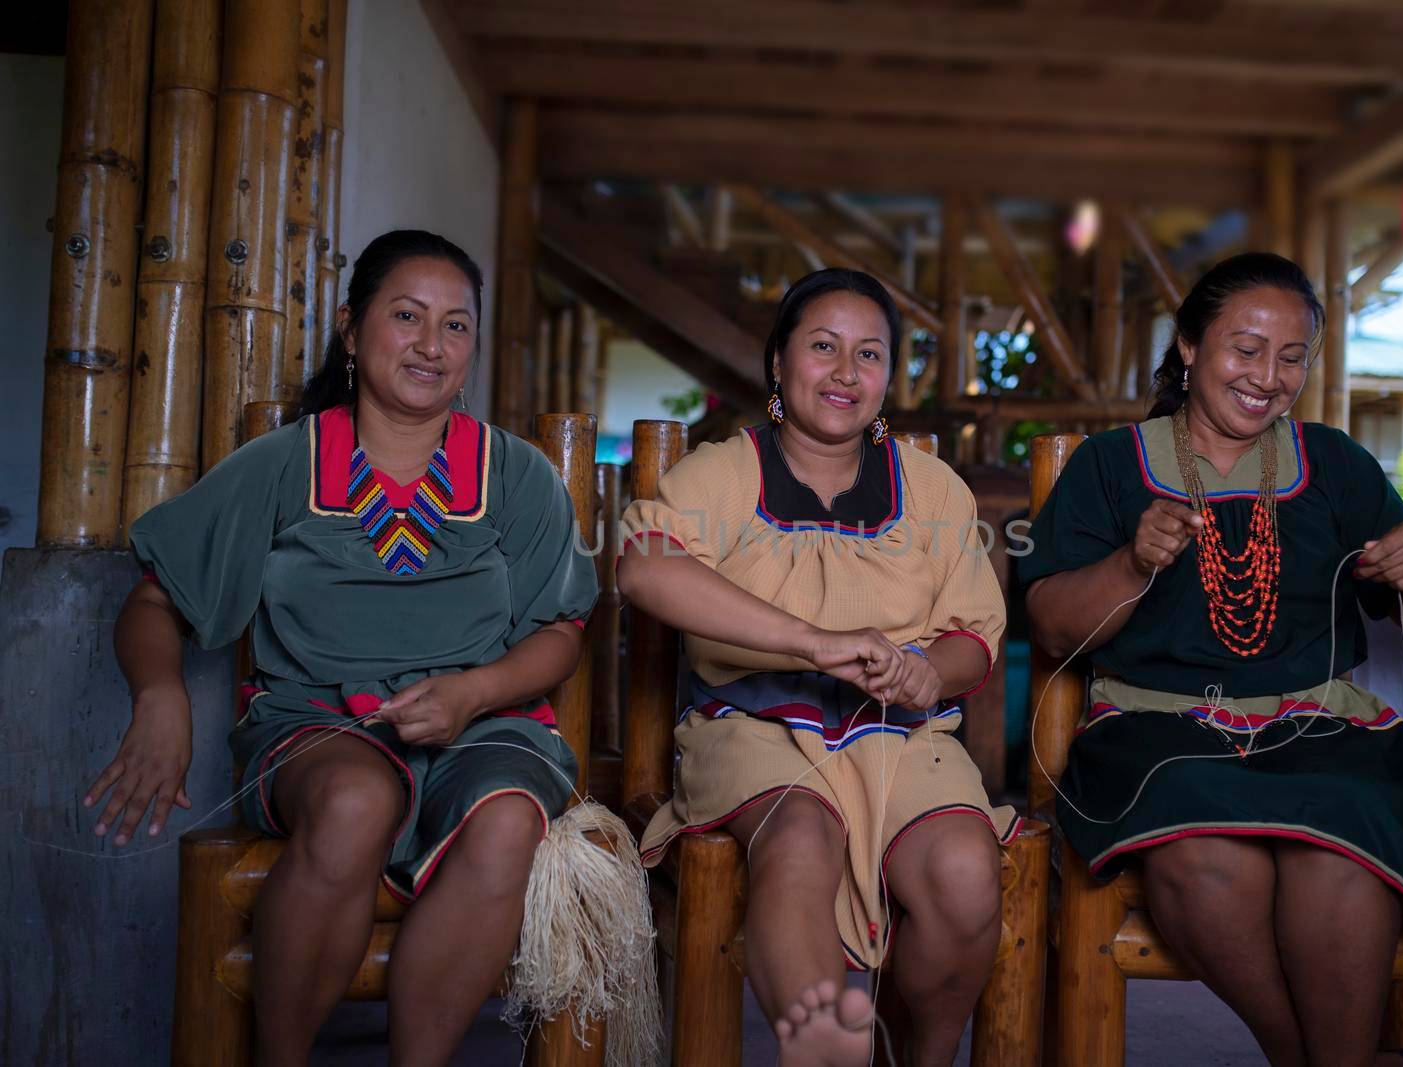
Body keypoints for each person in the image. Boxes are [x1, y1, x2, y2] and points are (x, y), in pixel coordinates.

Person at [85, 230, 602, 1067]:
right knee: (358, 801)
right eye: (406, 316)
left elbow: (561, 634)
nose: (432, 344)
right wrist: (161, 694)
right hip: (314, 723)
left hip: (489, 725)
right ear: (352, 330)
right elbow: (154, 599)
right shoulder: (283, 465)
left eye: (456, 325)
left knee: (509, 820)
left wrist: (472, 693)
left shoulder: (517, 475)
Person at [1023, 252, 1403, 1067]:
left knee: (1343, 853)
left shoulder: (1333, 463)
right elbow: (1052, 630)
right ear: (1190, 345)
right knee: (1205, 852)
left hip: (1318, 732)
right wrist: (1131, 562)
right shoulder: (1110, 466)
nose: (1269, 375)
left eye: (1292, 355)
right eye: (1246, 348)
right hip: (1155, 734)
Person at [619, 268, 1016, 1067]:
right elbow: (643, 568)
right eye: (823, 347)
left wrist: (925, 673)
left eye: (868, 354)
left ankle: (914, 1058)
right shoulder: (726, 473)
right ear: (777, 361)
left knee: (966, 870)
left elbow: (973, 633)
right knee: (801, 837)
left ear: (888, 377)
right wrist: (811, 641)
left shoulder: (933, 488)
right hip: (754, 727)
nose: (845, 372)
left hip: (901, 733)